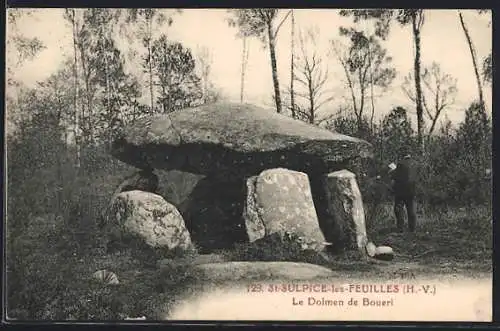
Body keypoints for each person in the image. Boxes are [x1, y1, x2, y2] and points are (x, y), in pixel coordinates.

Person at [388, 149, 418, 232]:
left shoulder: (400, 164)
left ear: (402, 154)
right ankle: (412, 228)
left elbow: (396, 176)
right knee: (411, 209)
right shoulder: (415, 163)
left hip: (401, 190)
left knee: (398, 209)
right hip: (412, 189)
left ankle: (400, 228)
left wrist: (391, 171)